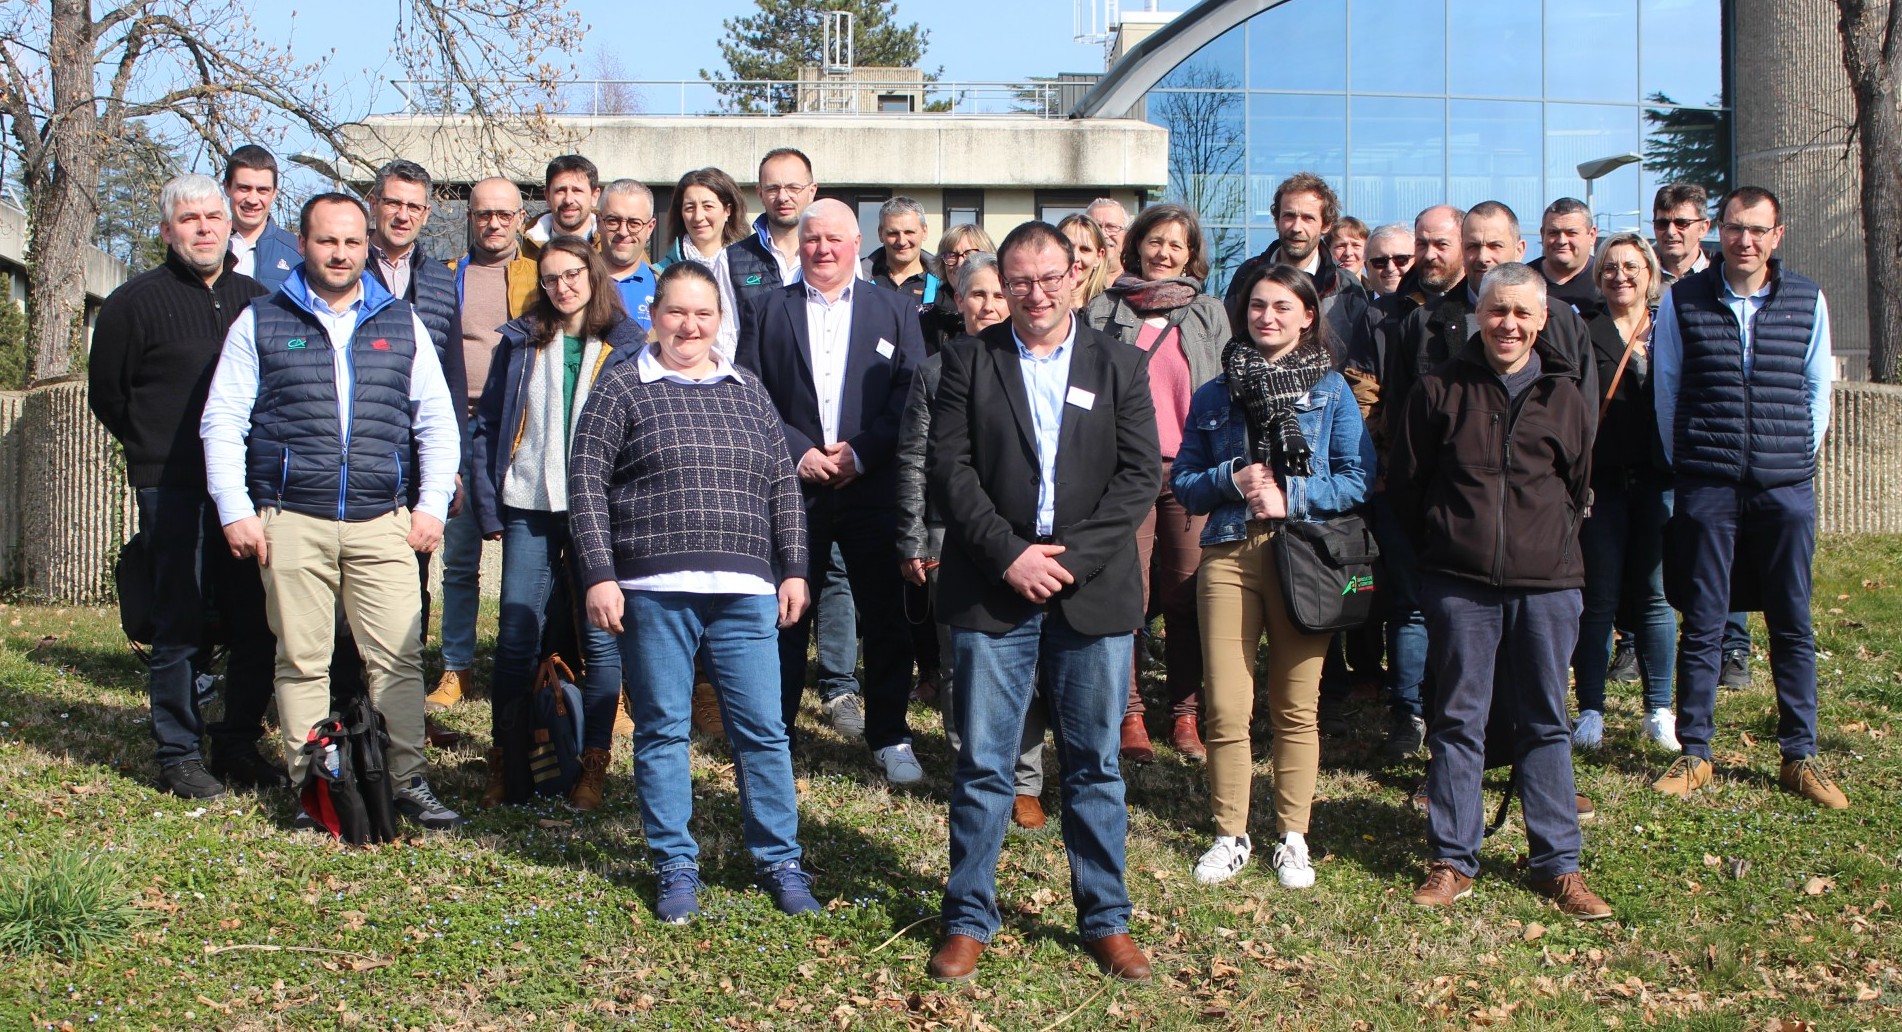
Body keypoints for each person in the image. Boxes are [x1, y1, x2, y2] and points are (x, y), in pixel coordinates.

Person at [925, 221, 1160, 984]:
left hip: (1091, 590)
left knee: (1093, 765)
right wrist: (1010, 556)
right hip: (994, 587)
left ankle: (1105, 918)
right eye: (1019, 279)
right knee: (986, 764)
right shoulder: (965, 362)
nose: (1035, 292)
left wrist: (1069, 562)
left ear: (1076, 277)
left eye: (1049, 276)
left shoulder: (1121, 365)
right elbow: (951, 472)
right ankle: (968, 916)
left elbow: (1137, 478)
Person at [200, 192, 465, 829]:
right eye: (326, 241)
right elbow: (223, 421)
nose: (340, 253)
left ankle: (407, 781)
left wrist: (430, 507)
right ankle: (311, 788)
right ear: (304, 244)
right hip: (293, 518)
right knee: (301, 659)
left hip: (383, 521)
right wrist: (235, 508)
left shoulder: (399, 322)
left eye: (351, 242)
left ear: (365, 244)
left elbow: (437, 422)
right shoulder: (262, 321)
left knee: (398, 660)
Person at [570, 260, 820, 923]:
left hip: (745, 589)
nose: (689, 325)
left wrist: (793, 566)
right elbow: (586, 483)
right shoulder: (622, 388)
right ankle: (675, 865)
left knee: (763, 731)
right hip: (654, 588)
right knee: (661, 731)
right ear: (654, 316)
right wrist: (600, 573)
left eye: (703, 314)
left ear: (719, 321)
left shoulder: (747, 390)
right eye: (676, 312)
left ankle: (780, 859)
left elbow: (781, 485)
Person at [1393, 262, 1610, 920]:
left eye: (1522, 313)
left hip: (1547, 586)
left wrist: (1539, 545)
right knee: (1459, 721)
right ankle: (1453, 860)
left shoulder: (1567, 396)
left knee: (1546, 720)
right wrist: (1446, 550)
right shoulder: (1438, 390)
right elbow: (1407, 486)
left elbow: (1578, 488)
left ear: (1542, 319)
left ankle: (1557, 865)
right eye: (1497, 311)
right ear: (1477, 316)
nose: (1508, 324)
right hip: (1461, 586)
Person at [1173, 263, 1374, 888]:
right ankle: (1230, 833)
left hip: (1303, 554)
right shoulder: (1214, 393)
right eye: (1258, 306)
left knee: (1296, 705)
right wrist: (1229, 477)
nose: (1268, 317)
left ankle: (1293, 837)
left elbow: (1359, 478)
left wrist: (1294, 494)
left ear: (1308, 316)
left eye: (1283, 307)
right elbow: (1182, 481)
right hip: (1229, 555)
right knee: (1227, 707)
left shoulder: (1333, 391)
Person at [1650, 186, 1846, 810]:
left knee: (1792, 619)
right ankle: (1696, 751)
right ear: (1719, 231)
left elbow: (1819, 389)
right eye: (1735, 228)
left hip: (1784, 489)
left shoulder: (1807, 299)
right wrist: (1693, 465)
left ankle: (1799, 754)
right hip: (1708, 484)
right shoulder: (1684, 301)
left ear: (1777, 236)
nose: (1745, 241)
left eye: (1758, 230)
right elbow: (1668, 390)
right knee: (1704, 620)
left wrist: (1792, 457)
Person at [88, 173, 281, 798]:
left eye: (213, 218)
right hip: (170, 486)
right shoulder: (132, 304)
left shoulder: (259, 300)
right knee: (179, 620)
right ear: (168, 230)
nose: (203, 228)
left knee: (254, 620)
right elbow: (109, 395)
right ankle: (177, 751)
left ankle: (235, 743)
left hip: (246, 489)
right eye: (189, 219)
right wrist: (155, 449)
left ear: (230, 226)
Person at [736, 199, 925, 785]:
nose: (822, 249)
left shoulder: (893, 310)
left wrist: (862, 451)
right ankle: (777, 734)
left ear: (855, 243)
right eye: (812, 239)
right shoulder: (769, 309)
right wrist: (800, 451)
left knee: (886, 619)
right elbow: (751, 388)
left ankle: (889, 735)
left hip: (871, 487)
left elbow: (912, 395)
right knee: (787, 615)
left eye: (834, 239)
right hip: (796, 488)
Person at [470, 235, 643, 811]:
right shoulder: (523, 340)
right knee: (516, 638)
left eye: (573, 275)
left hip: (601, 512)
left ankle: (591, 765)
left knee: (602, 639)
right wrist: (490, 505)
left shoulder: (624, 345)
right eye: (550, 278)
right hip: (529, 504)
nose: (563, 287)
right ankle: (508, 762)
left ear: (592, 276)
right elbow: (488, 423)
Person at [896, 251, 1052, 828]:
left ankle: (1025, 780)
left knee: (1029, 660)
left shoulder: (1036, 366)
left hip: (1024, 535)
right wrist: (913, 537)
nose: (988, 305)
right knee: (964, 663)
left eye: (997, 294)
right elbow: (914, 457)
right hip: (948, 533)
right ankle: (973, 769)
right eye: (976, 294)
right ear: (957, 302)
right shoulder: (937, 371)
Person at [1082, 202, 1227, 763]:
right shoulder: (1102, 310)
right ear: (1136, 244)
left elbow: (1220, 391)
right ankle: (1130, 712)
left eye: (1177, 245)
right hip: (1125, 471)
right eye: (1155, 241)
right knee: (1129, 597)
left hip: (1191, 472)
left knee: (1188, 596)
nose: (1164, 253)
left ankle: (1186, 714)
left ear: (1191, 256)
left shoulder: (1210, 314)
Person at [430, 177, 541, 713]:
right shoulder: (448, 276)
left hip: (521, 434)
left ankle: (531, 662)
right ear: (469, 217)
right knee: (458, 559)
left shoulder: (539, 274)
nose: (493, 224)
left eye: (503, 214)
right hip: (458, 430)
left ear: (521, 218)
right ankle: (457, 666)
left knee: (528, 555)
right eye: (482, 214)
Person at [1571, 234, 1679, 753]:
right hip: (1603, 483)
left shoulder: (1667, 329)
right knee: (1598, 600)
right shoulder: (1582, 328)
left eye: (1631, 266)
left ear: (1650, 273)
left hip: (1658, 480)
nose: (1620, 276)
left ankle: (1659, 708)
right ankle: (1591, 708)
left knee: (1655, 597)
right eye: (1610, 267)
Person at [1652, 181, 1752, 690]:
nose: (1671, 232)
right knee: (1672, 552)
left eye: (1682, 223)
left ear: (1704, 228)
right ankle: (1647, 641)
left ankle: (1732, 645)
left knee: (1728, 549)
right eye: (1662, 223)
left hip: (1717, 441)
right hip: (1663, 437)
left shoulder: (1722, 280)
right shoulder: (1640, 274)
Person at [657, 167, 749, 359]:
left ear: (727, 211)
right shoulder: (660, 273)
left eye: (708, 206)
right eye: (690, 207)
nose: (698, 217)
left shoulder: (754, 269)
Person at [723, 148, 817, 328]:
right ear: (760, 194)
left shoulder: (836, 256)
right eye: (773, 189)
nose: (783, 197)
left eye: (793, 188)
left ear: (812, 191)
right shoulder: (730, 260)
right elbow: (727, 340)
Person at [222, 145, 299, 291]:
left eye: (262, 190)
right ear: (227, 187)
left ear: (274, 192)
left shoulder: (298, 254)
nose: (252, 199)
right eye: (244, 188)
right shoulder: (207, 246)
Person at [920, 223, 995, 352]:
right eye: (951, 255)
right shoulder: (925, 319)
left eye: (970, 254)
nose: (960, 263)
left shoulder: (1002, 312)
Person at [598, 179, 658, 332]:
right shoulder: (575, 283)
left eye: (634, 223)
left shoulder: (665, 288)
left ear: (650, 228)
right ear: (599, 223)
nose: (623, 232)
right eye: (613, 221)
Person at [1530, 197, 1604, 315]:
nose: (1562, 241)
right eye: (1553, 232)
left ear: (1592, 235)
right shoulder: (1523, 281)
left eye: (1572, 233)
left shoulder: (1607, 280)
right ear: (1542, 234)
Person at [523, 154, 600, 257]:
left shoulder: (612, 246)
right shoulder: (523, 250)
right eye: (560, 191)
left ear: (594, 196)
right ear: (547, 197)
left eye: (577, 190)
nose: (568, 200)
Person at [1058, 213, 1111, 311]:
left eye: (1085, 249)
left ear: (1099, 256)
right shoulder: (1038, 304)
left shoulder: (1110, 310)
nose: (1075, 257)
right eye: (1068, 247)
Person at [1362, 223, 1415, 298]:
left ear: (1416, 262)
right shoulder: (1353, 308)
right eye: (1380, 261)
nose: (1390, 268)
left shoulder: (1433, 307)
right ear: (1367, 267)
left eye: (1400, 259)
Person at [1086, 197, 1131, 281]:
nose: (1103, 234)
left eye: (1111, 227)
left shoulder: (1139, 281)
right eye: (1096, 227)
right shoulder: (1074, 281)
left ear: (1126, 234)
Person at [1329, 215, 1368, 281]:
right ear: (1328, 251)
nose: (1348, 253)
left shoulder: (1378, 290)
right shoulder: (1313, 290)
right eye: (1341, 246)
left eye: (1356, 245)